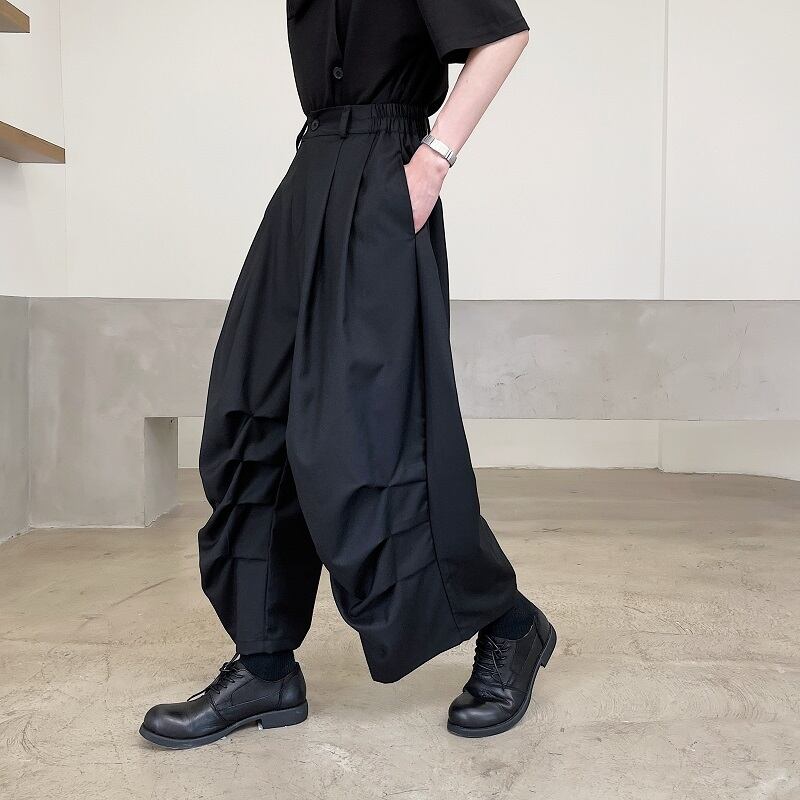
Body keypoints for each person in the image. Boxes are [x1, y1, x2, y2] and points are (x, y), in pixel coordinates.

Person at [139, 0, 556, 748]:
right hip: (311, 175)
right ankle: (265, 663)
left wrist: (434, 159)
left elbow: (503, 34)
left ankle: (509, 623)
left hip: (382, 177)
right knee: (252, 415)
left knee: (366, 439)